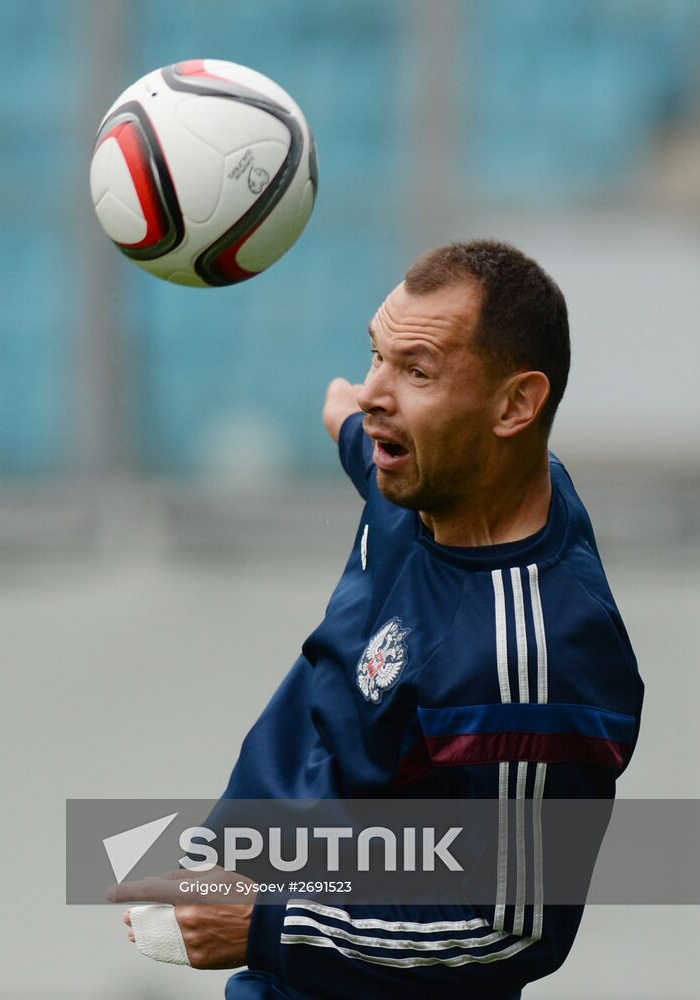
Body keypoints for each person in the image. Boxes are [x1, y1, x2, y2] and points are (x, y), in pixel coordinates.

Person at [109, 240, 644, 999]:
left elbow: (508, 930)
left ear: (515, 405)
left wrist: (265, 924)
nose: (372, 395)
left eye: (417, 371)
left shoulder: (534, 656)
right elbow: (356, 425)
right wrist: (346, 411)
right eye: (374, 357)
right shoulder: (431, 477)